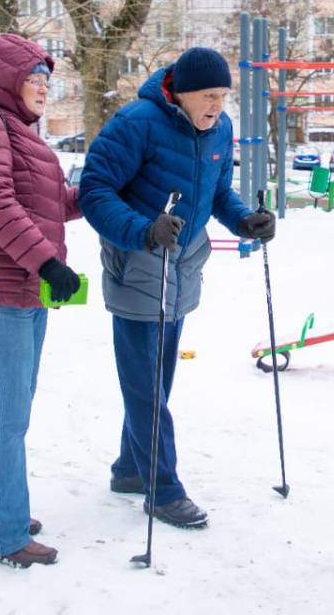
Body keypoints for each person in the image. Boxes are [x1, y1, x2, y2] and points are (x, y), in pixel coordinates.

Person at [79, 46, 275, 529]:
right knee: (146, 387)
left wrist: (244, 221)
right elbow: (94, 191)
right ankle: (162, 488)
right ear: (181, 93)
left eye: (223, 96)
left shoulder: (220, 130)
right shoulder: (137, 123)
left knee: (158, 382)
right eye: (208, 96)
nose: (216, 106)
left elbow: (217, 191)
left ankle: (130, 468)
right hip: (138, 264)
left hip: (182, 267)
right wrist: (142, 228)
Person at [0, 33, 84, 568]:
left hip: (22, 288)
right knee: (10, 415)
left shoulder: (20, 133)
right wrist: (47, 261)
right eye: (34, 78)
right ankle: (3, 536)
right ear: (4, 79)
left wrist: (96, 193)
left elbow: (45, 205)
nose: (43, 89)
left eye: (47, 81)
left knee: (4, 409)